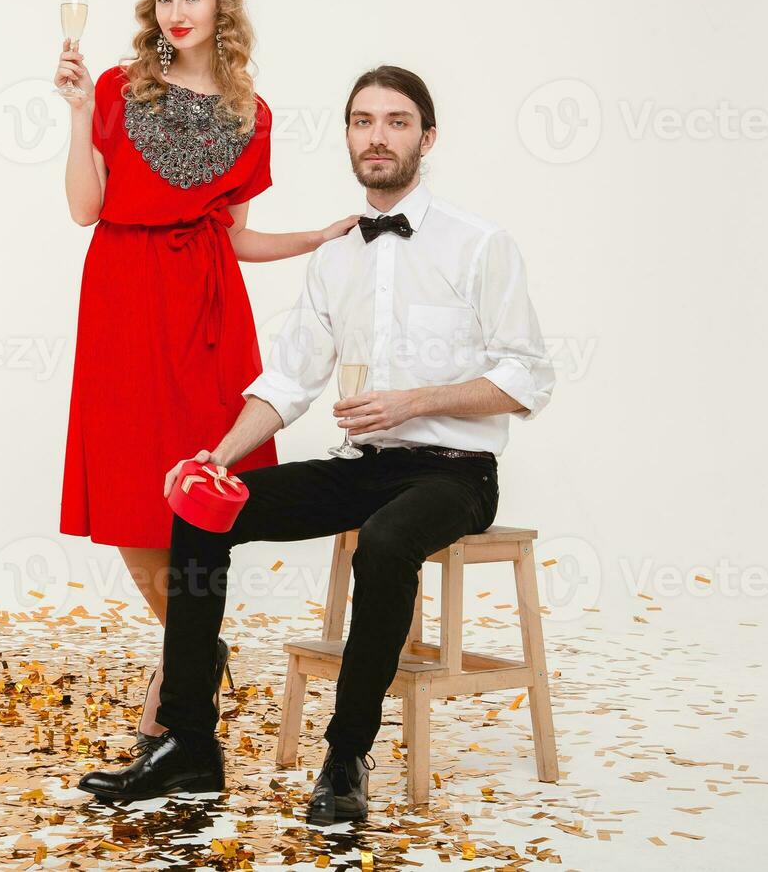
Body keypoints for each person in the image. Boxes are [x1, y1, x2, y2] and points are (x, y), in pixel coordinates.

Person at [75, 65, 556, 826]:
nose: (378, 136)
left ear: (427, 139)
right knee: (204, 512)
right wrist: (219, 458)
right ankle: (191, 746)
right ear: (348, 137)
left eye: (397, 122)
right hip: (362, 465)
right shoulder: (338, 257)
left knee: (387, 545)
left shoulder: (480, 245)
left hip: (454, 472)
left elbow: (527, 377)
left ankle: (345, 754)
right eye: (363, 121)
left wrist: (417, 400)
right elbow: (288, 380)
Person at [53, 0, 359, 753]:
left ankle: (178, 668)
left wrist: (315, 238)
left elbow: (235, 239)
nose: (177, 13)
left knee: (195, 485)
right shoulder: (118, 87)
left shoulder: (249, 115)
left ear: (223, 3)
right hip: (121, 296)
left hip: (205, 311)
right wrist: (80, 117)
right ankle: (193, 647)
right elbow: (87, 209)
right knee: (124, 490)